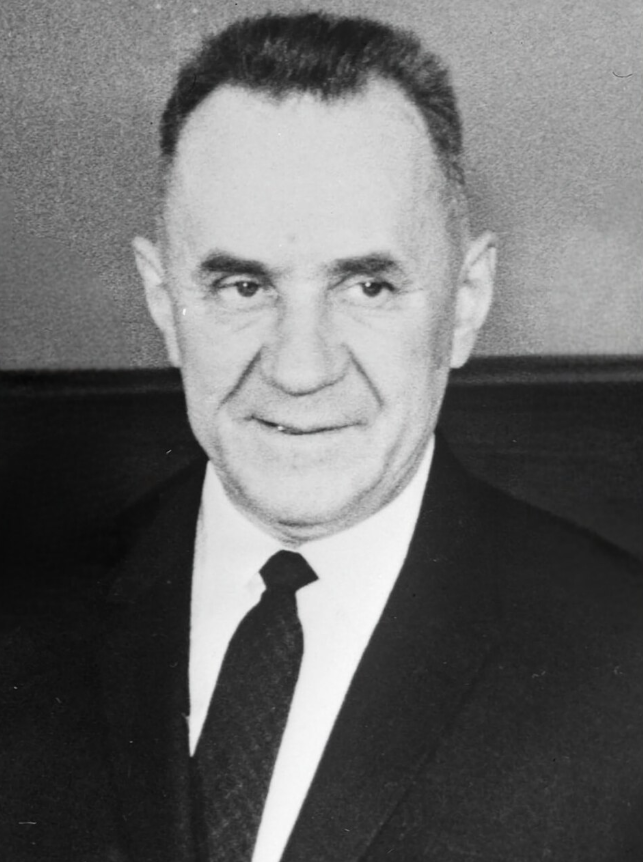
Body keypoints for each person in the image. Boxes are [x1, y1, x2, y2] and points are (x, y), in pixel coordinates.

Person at [2, 11, 643, 862]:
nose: (299, 370)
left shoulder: (623, 669)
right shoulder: (22, 634)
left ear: (466, 302)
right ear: (163, 302)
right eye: (240, 286)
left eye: (368, 286)